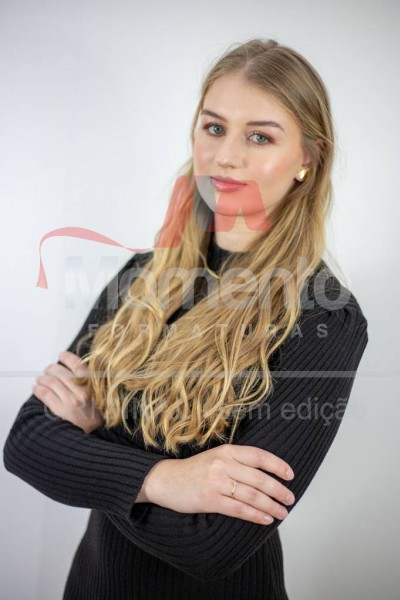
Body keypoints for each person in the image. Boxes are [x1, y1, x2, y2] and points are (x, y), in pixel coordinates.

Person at [3, 38, 369, 600]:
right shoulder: (141, 276)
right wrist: (166, 479)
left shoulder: (325, 315)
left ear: (308, 159)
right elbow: (27, 442)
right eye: (214, 127)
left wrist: (92, 442)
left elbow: (212, 545)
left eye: (260, 137)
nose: (225, 156)